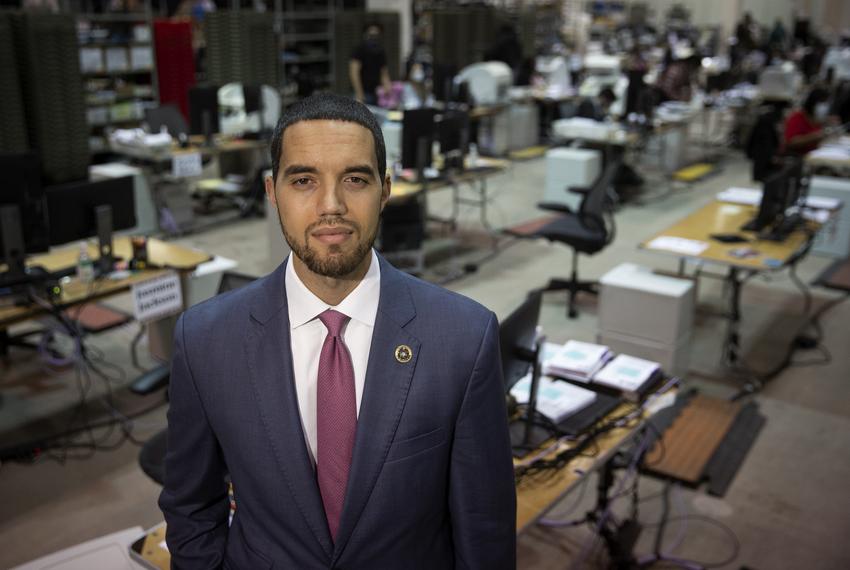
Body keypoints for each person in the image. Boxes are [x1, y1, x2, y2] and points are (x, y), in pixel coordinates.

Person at [159, 92, 517, 569]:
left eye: (355, 179)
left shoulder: (463, 338)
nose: (332, 206)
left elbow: (485, 525)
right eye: (304, 180)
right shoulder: (204, 341)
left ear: (385, 190)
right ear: (272, 193)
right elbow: (190, 507)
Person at [349, 22, 392, 105]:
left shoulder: (380, 51)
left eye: (376, 35)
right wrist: (359, 93)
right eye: (371, 35)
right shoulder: (359, 50)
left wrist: (387, 87)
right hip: (362, 92)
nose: (374, 38)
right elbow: (354, 72)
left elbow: (384, 72)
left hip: (375, 92)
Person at [783, 87, 832, 155]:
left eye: (826, 103)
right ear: (813, 102)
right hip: (797, 157)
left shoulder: (817, 119)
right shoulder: (797, 117)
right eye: (822, 102)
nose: (824, 106)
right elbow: (791, 142)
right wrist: (814, 137)